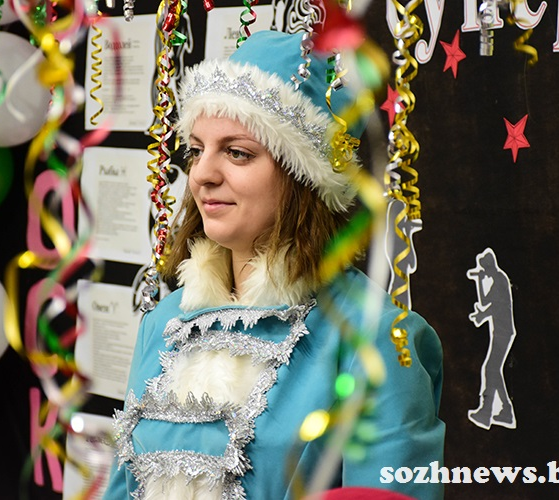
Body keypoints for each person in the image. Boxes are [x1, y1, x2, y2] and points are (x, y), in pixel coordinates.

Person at [104, 29, 444, 500]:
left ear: (303, 173)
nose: (202, 174)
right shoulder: (163, 323)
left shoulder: (376, 339)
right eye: (196, 150)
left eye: (237, 152)